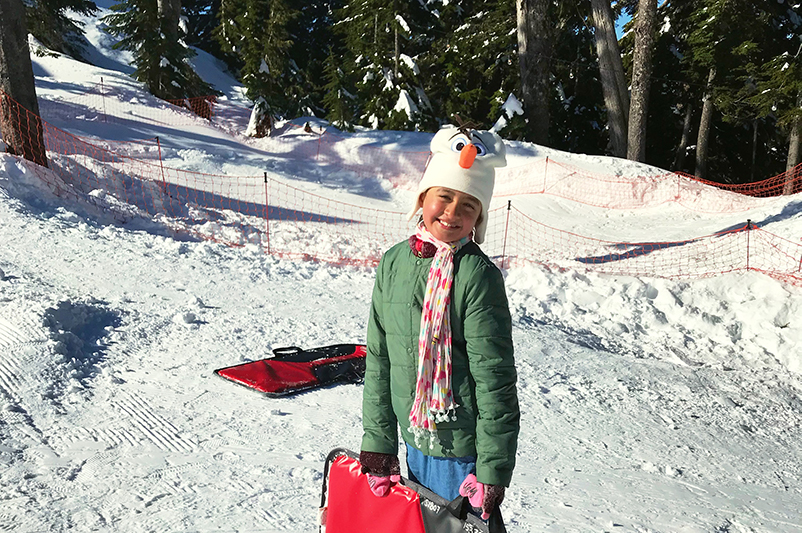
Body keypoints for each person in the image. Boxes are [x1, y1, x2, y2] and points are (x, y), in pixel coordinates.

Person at [360, 122, 520, 522]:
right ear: (423, 198)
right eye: (444, 197)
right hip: (413, 440)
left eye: (468, 205)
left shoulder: (477, 275)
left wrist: (492, 469)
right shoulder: (394, 263)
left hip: (463, 450)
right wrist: (379, 444)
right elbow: (379, 360)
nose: (452, 213)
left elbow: (494, 377)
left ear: (479, 216)